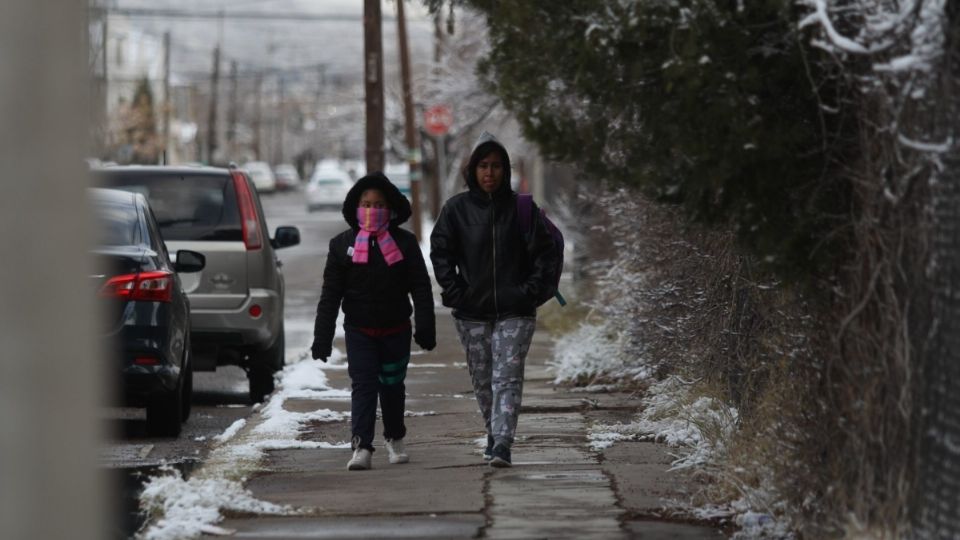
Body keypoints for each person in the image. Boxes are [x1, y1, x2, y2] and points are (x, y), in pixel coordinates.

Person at [430, 132, 559, 467]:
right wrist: (457, 291)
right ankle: (493, 432)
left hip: (516, 311)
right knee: (483, 380)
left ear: (506, 170)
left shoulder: (522, 209)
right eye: (483, 166)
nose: (490, 173)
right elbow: (440, 252)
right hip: (472, 312)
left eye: (497, 166)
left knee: (508, 376)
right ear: (472, 170)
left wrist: (528, 291)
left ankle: (502, 442)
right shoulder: (456, 210)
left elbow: (546, 255)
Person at [312, 171, 436, 470]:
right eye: (365, 204)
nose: (371, 210)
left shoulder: (404, 244)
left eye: (378, 204)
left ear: (390, 208)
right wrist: (322, 337)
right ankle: (361, 446)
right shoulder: (342, 245)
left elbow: (420, 287)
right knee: (364, 385)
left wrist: (426, 326)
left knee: (392, 386)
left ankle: (395, 437)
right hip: (359, 330)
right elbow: (331, 294)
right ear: (356, 208)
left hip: (396, 330)